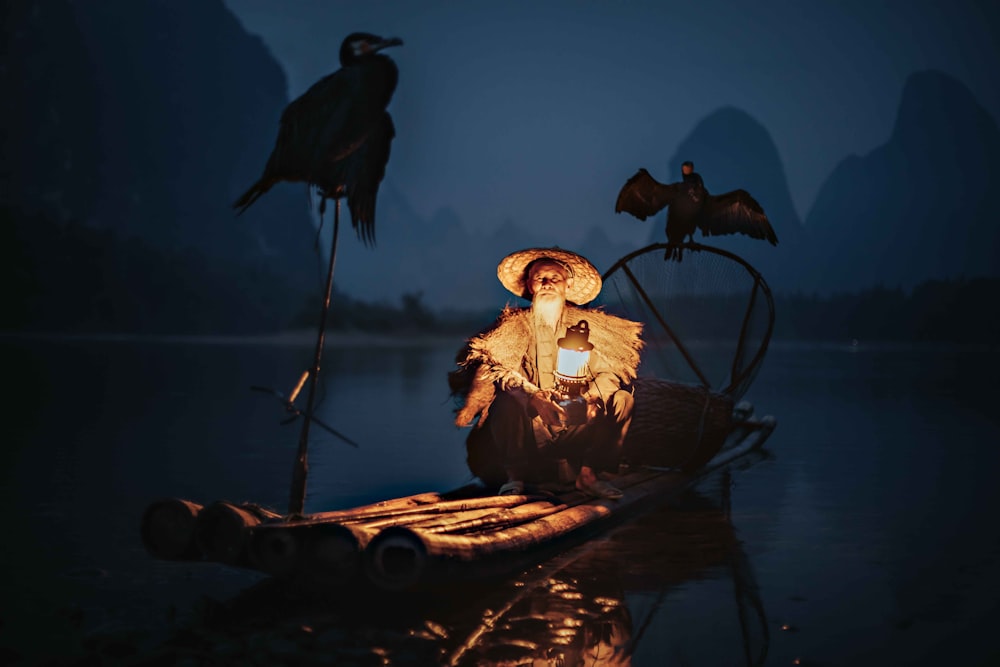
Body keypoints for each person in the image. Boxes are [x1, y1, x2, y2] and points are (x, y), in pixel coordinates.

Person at [449, 248, 643, 499]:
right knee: (505, 402)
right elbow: (504, 374)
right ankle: (514, 478)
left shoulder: (592, 329)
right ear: (530, 285)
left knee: (622, 400)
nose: (548, 284)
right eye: (540, 278)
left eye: (555, 278)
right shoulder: (512, 328)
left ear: (567, 285)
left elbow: (610, 374)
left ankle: (588, 476)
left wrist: (591, 398)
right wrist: (533, 396)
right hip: (532, 425)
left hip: (577, 420)